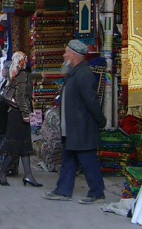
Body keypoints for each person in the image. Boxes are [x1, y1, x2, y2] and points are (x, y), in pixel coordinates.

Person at [44, 39, 106, 204]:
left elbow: (91, 102)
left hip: (82, 127)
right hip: (72, 128)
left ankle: (97, 192)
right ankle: (63, 190)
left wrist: (101, 121)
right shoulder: (73, 74)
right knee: (68, 159)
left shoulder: (84, 74)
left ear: (74, 56)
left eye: (66, 53)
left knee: (88, 160)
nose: (64, 55)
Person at [0, 52, 41, 187]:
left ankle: (28, 175)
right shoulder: (21, 75)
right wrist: (25, 114)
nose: (27, 61)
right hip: (18, 115)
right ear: (21, 61)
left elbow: (31, 77)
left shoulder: (18, 74)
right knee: (15, 146)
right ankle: (2, 173)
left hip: (17, 114)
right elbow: (20, 96)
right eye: (25, 59)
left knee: (24, 145)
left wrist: (41, 75)